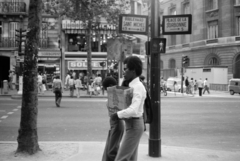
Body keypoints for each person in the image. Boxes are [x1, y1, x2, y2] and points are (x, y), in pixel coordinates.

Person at [111, 56, 146, 161]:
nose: (124, 72)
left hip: (134, 125)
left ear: (133, 70)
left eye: (126, 69)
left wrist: (117, 115)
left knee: (121, 158)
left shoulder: (138, 87)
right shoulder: (131, 85)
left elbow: (134, 110)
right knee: (130, 158)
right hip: (131, 124)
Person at [102, 77, 124, 161]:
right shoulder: (114, 95)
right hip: (114, 124)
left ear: (110, 86)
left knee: (112, 151)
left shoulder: (117, 96)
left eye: (105, 88)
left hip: (117, 124)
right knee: (109, 149)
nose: (105, 91)